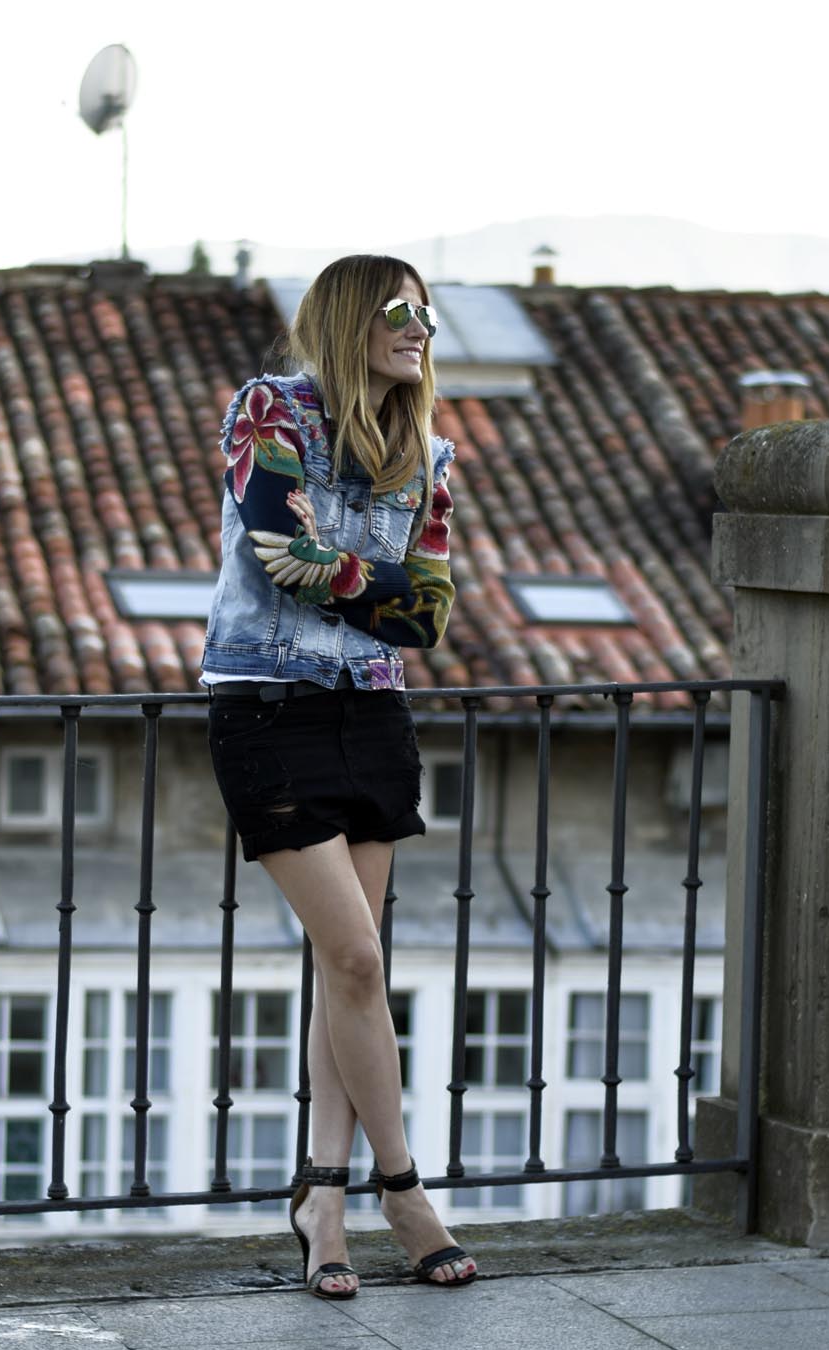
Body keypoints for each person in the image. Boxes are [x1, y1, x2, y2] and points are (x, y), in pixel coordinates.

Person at [202, 255, 477, 1299]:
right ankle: (403, 1191)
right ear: (351, 316)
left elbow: (430, 614)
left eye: (428, 313)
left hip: (374, 712)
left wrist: (339, 570)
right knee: (358, 957)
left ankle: (322, 1199)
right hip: (268, 705)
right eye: (399, 309)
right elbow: (280, 549)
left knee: (345, 966)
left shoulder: (427, 453)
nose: (419, 328)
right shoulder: (270, 411)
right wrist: (372, 584)